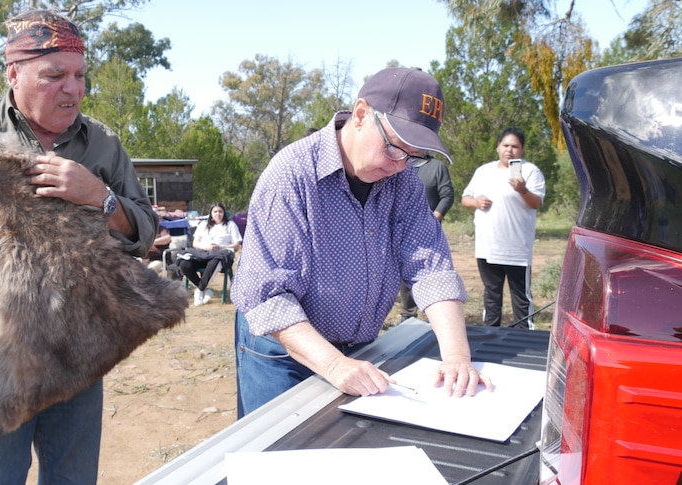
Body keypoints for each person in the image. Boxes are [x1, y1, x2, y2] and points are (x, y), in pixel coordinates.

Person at [0, 10, 158, 484]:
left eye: (80, 76)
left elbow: (143, 231)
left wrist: (99, 196)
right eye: (54, 75)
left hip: (82, 345)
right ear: (14, 74)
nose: (72, 89)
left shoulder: (102, 145)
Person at [231, 67, 493, 418]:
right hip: (281, 352)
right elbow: (268, 296)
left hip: (358, 349)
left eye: (414, 156)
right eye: (394, 147)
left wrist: (458, 358)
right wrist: (334, 365)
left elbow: (430, 267)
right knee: (274, 461)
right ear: (360, 115)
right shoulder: (291, 174)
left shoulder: (405, 184)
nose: (401, 166)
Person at [461, 127, 546, 329]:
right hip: (488, 247)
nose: (509, 150)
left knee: (520, 297)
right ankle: (489, 336)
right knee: (491, 295)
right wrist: (475, 202)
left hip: (516, 248)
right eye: (505, 145)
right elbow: (465, 198)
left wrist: (522, 190)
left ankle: (525, 338)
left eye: (515, 146)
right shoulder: (483, 171)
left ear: (522, 150)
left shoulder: (530, 172)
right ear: (498, 147)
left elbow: (536, 203)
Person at [398, 156, 454, 321]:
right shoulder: (399, 166)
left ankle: (433, 318)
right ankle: (407, 316)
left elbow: (447, 195)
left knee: (432, 274)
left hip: (429, 234)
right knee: (405, 275)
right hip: (402, 231)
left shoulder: (437, 167)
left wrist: (434, 218)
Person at [178, 203, 243, 306]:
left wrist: (220, 247)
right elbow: (195, 243)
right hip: (203, 253)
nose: (218, 214)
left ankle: (199, 290)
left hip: (221, 255)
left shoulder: (230, 225)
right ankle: (205, 289)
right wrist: (206, 247)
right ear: (211, 214)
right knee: (184, 264)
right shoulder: (203, 225)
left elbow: (237, 245)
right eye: (215, 212)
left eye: (220, 211)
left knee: (215, 260)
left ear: (224, 213)